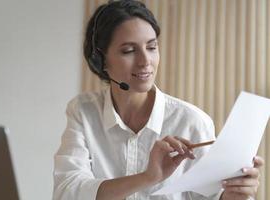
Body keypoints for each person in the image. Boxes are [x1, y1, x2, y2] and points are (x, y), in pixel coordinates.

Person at [53, 1, 263, 200]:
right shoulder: (83, 111)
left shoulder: (192, 122)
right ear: (100, 60)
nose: (145, 62)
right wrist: (148, 178)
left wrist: (234, 194)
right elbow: (67, 192)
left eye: (151, 47)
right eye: (129, 51)